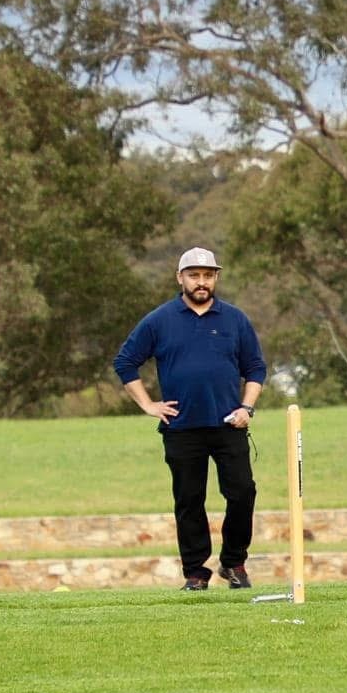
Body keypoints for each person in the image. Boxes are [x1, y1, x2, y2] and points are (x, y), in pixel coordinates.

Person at [113, 247, 268, 592]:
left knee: (243, 492)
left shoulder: (235, 319)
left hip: (230, 424)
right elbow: (125, 362)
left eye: (208, 275)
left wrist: (247, 408)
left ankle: (234, 563)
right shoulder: (159, 320)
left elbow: (255, 368)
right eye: (195, 275)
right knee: (189, 500)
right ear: (180, 278)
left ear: (216, 278)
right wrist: (148, 405)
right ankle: (196, 572)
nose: (202, 282)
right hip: (181, 428)